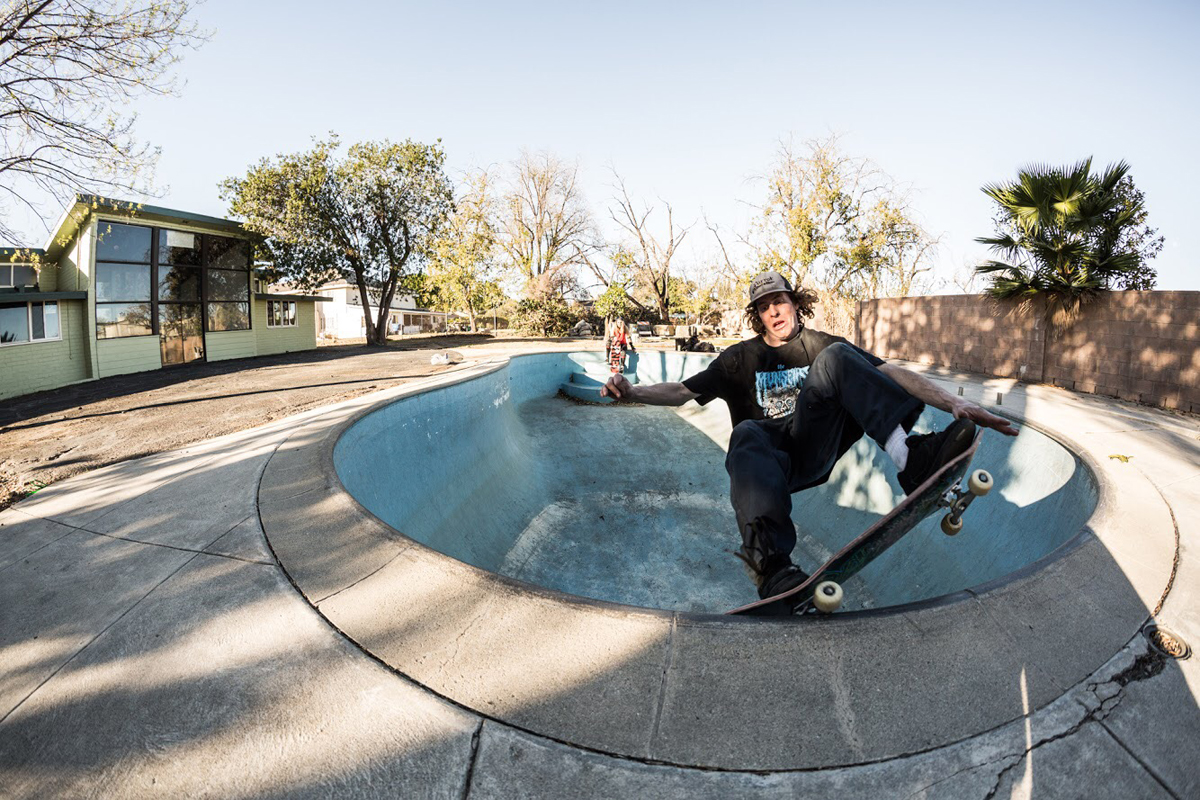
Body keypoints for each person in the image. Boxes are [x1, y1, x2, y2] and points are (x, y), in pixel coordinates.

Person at [600, 270, 1019, 604]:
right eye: (764, 309)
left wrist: (953, 403)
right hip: (771, 464)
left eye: (780, 302)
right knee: (746, 431)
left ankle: (909, 459)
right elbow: (681, 392)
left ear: (796, 304)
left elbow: (889, 372)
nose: (775, 313)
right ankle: (772, 565)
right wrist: (631, 391)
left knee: (839, 358)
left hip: (815, 444)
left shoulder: (819, 344)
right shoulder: (738, 359)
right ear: (757, 317)